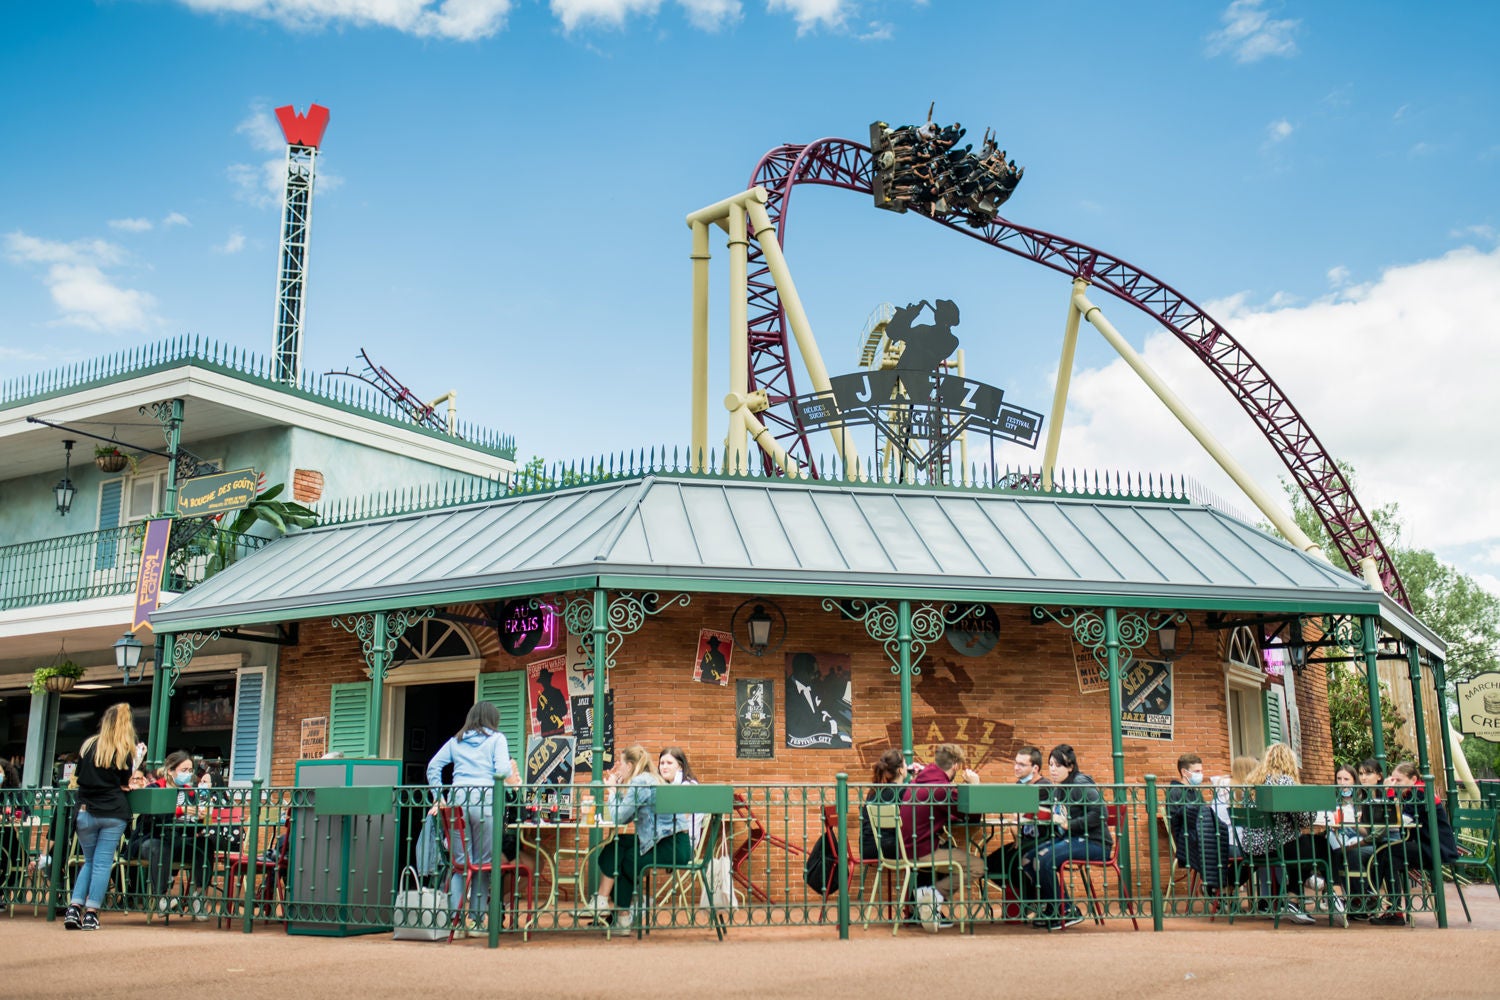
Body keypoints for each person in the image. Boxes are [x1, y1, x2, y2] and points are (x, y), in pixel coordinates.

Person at [426, 701, 519, 937]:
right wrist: (510, 772)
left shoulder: (456, 740)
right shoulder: (497, 739)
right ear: (493, 720)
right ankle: (477, 922)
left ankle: (454, 924)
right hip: (486, 802)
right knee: (483, 864)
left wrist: (440, 796)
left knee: (460, 865)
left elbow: (433, 766)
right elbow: (502, 771)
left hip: (458, 802)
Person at [587, 744, 695, 929]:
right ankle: (606, 901)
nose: (619, 767)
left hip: (671, 845)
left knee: (627, 859)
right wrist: (620, 789)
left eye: (620, 763)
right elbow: (626, 817)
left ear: (629, 766)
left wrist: (612, 790)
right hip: (666, 841)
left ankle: (626, 912)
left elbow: (618, 817)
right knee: (615, 846)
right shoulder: (649, 779)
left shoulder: (641, 782)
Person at [1018, 745, 1110, 930]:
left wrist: (1071, 824)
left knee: (1045, 859)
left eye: (1058, 765)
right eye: (1051, 764)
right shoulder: (1059, 788)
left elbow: (1101, 812)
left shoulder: (1080, 783)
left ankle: (1067, 910)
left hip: (1094, 842)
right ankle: (1053, 906)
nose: (1053, 769)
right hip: (1071, 839)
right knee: (1028, 858)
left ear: (1069, 767)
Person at [64, 703, 137, 931]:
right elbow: (125, 782)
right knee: (103, 863)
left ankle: (74, 908)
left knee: (90, 861)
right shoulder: (124, 748)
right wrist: (123, 785)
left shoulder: (88, 745)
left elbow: (79, 776)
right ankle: (91, 913)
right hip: (113, 812)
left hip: (86, 810)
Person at [900, 742, 986, 932]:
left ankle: (925, 906)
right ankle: (933, 897)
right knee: (977, 866)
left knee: (948, 849)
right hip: (922, 851)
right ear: (955, 765)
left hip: (907, 847)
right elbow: (969, 815)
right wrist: (975, 787)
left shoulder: (918, 781)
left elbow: (947, 811)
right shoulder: (940, 787)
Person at [1365, 761, 1460, 926]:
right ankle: (1393, 910)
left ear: (1413, 778)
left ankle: (1371, 896)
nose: (1395, 783)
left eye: (1398, 780)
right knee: (1388, 856)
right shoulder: (1411, 793)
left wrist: (1389, 792)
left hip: (1437, 849)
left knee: (1386, 852)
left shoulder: (1421, 792)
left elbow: (1403, 819)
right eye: (1393, 780)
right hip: (1424, 845)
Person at [1239, 743, 1317, 925]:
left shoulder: (1252, 783)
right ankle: (1294, 899)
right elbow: (1304, 820)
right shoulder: (1284, 782)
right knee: (1313, 847)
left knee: (1305, 846)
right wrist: (1311, 809)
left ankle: (1292, 900)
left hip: (1252, 846)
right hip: (1276, 844)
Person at [984, 746, 1050, 898]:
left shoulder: (1043, 787)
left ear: (1035, 768)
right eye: (1016, 763)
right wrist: (1018, 837)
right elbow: (1015, 818)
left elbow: (1018, 817)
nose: (1016, 767)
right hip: (1024, 840)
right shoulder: (1020, 785)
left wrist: (1018, 835)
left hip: (1042, 841)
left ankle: (1034, 899)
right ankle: (1029, 898)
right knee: (988, 865)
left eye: (1022, 764)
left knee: (1013, 862)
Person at [860, 749, 906, 864]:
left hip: (866, 847)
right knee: (924, 848)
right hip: (888, 847)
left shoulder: (873, 791)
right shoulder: (901, 792)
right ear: (900, 770)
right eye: (905, 764)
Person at [1165, 753, 1205, 871]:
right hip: (1188, 842)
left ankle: (1221, 884)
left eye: (1201, 771)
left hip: (1201, 836)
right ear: (1184, 772)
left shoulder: (1196, 792)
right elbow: (1175, 821)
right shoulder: (1175, 792)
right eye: (1197, 771)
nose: (1200, 775)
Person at [658, 746, 703, 845]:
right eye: (662, 763)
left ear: (680, 766)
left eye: (669, 763)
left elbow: (680, 820)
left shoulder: (687, 786)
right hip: (669, 839)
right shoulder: (669, 786)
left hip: (683, 844)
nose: (664, 767)